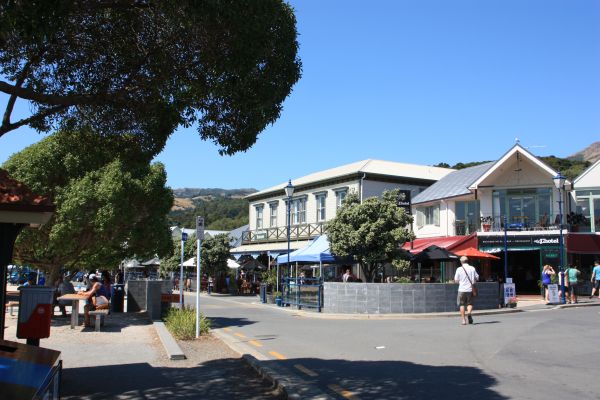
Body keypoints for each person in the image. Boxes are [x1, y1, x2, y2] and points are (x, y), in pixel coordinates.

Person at [454, 256, 479, 325]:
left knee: (461, 304)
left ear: (461, 262)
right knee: (470, 303)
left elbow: (456, 280)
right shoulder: (472, 268)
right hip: (470, 289)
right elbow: (477, 278)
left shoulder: (459, 269)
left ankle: (463, 320)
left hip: (461, 289)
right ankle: (469, 312)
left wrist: (461, 282)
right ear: (468, 261)